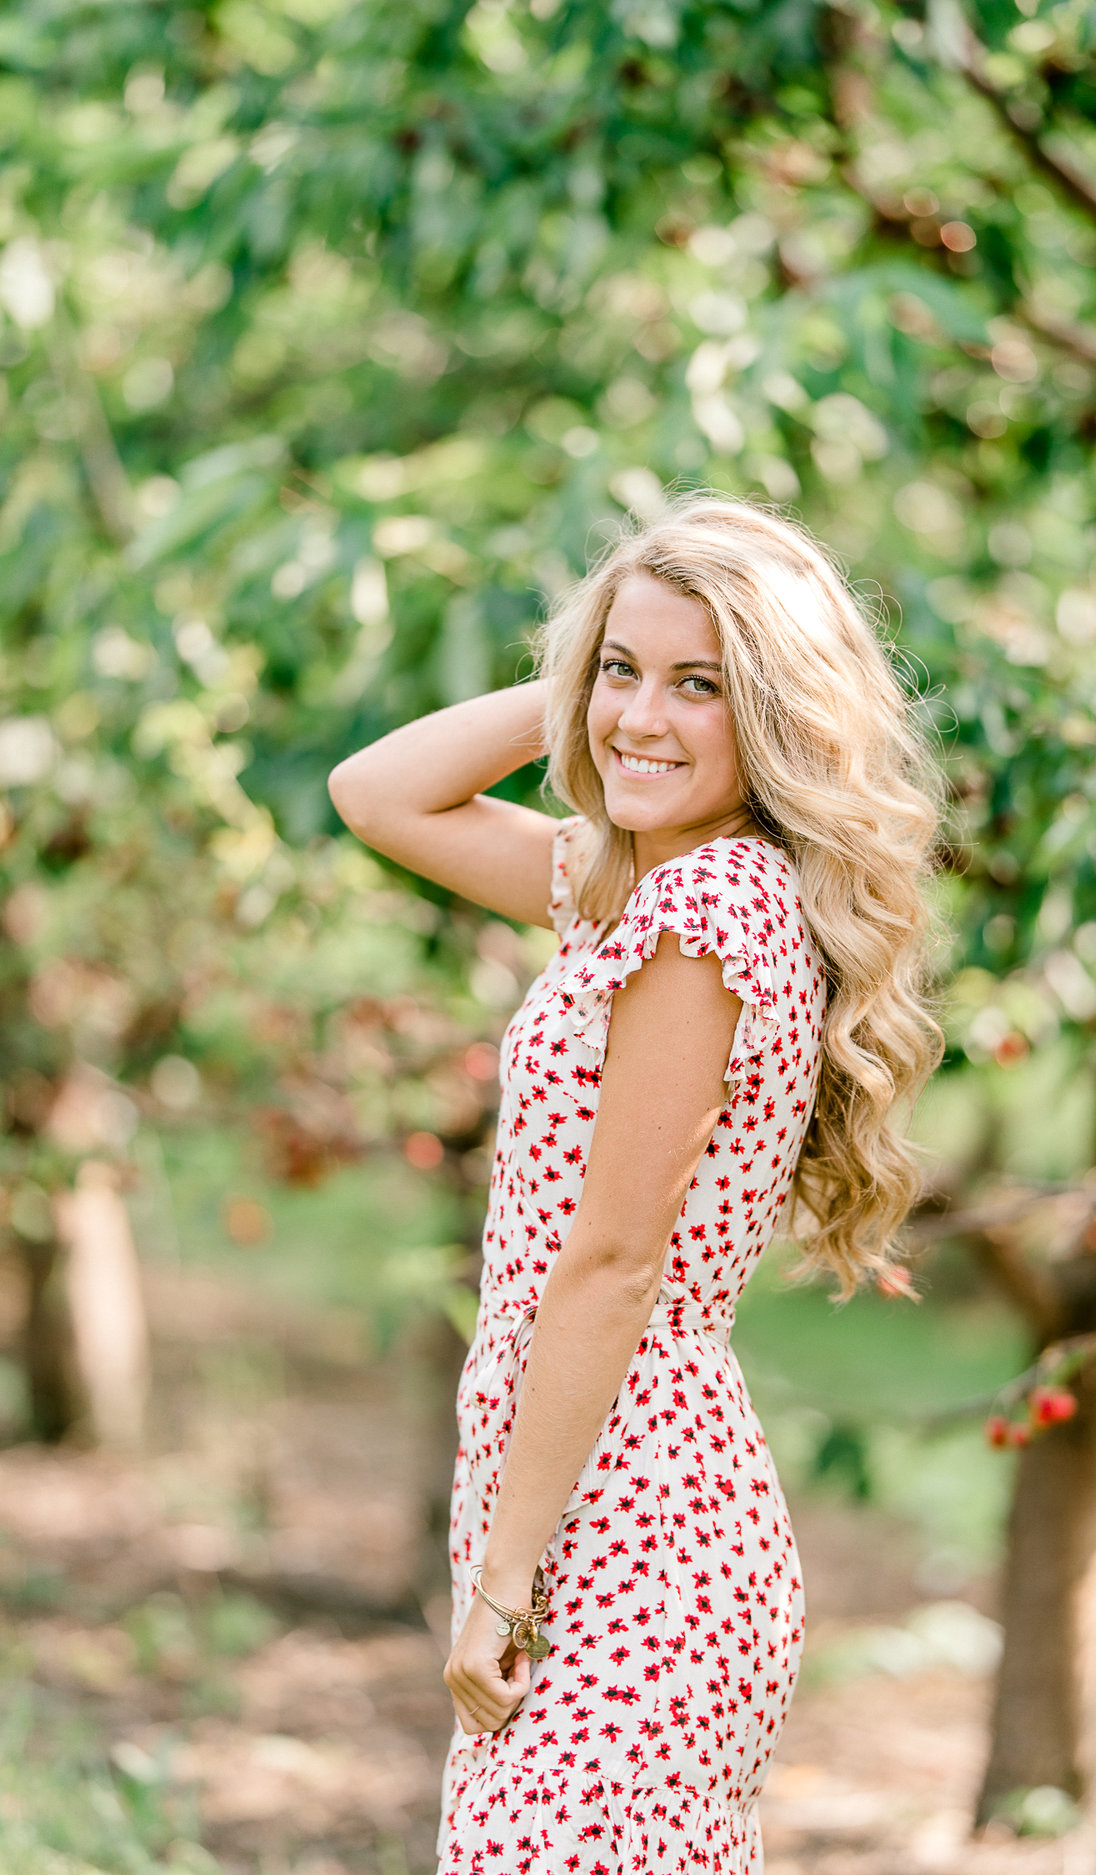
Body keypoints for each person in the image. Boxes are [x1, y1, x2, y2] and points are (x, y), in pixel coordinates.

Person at [328, 494, 943, 1871]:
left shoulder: (702, 914)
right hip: (615, 1503)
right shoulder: (644, 883)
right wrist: (582, 672)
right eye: (622, 671)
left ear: (776, 714)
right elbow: (375, 795)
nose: (639, 721)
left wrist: (505, 1575)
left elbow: (612, 1267)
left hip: (628, 1529)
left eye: (701, 685)